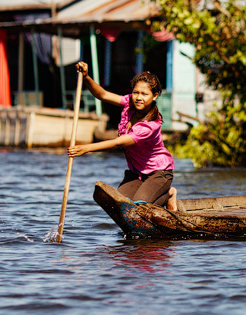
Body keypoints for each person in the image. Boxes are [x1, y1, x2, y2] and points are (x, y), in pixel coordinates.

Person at [67, 62, 177, 211]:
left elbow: (119, 143)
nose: (139, 97)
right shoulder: (129, 104)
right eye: (136, 92)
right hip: (137, 172)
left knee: (140, 207)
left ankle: (169, 194)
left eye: (144, 94)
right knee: (117, 205)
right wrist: (86, 77)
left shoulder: (150, 125)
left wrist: (87, 148)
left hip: (159, 173)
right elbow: (102, 94)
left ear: (155, 95)